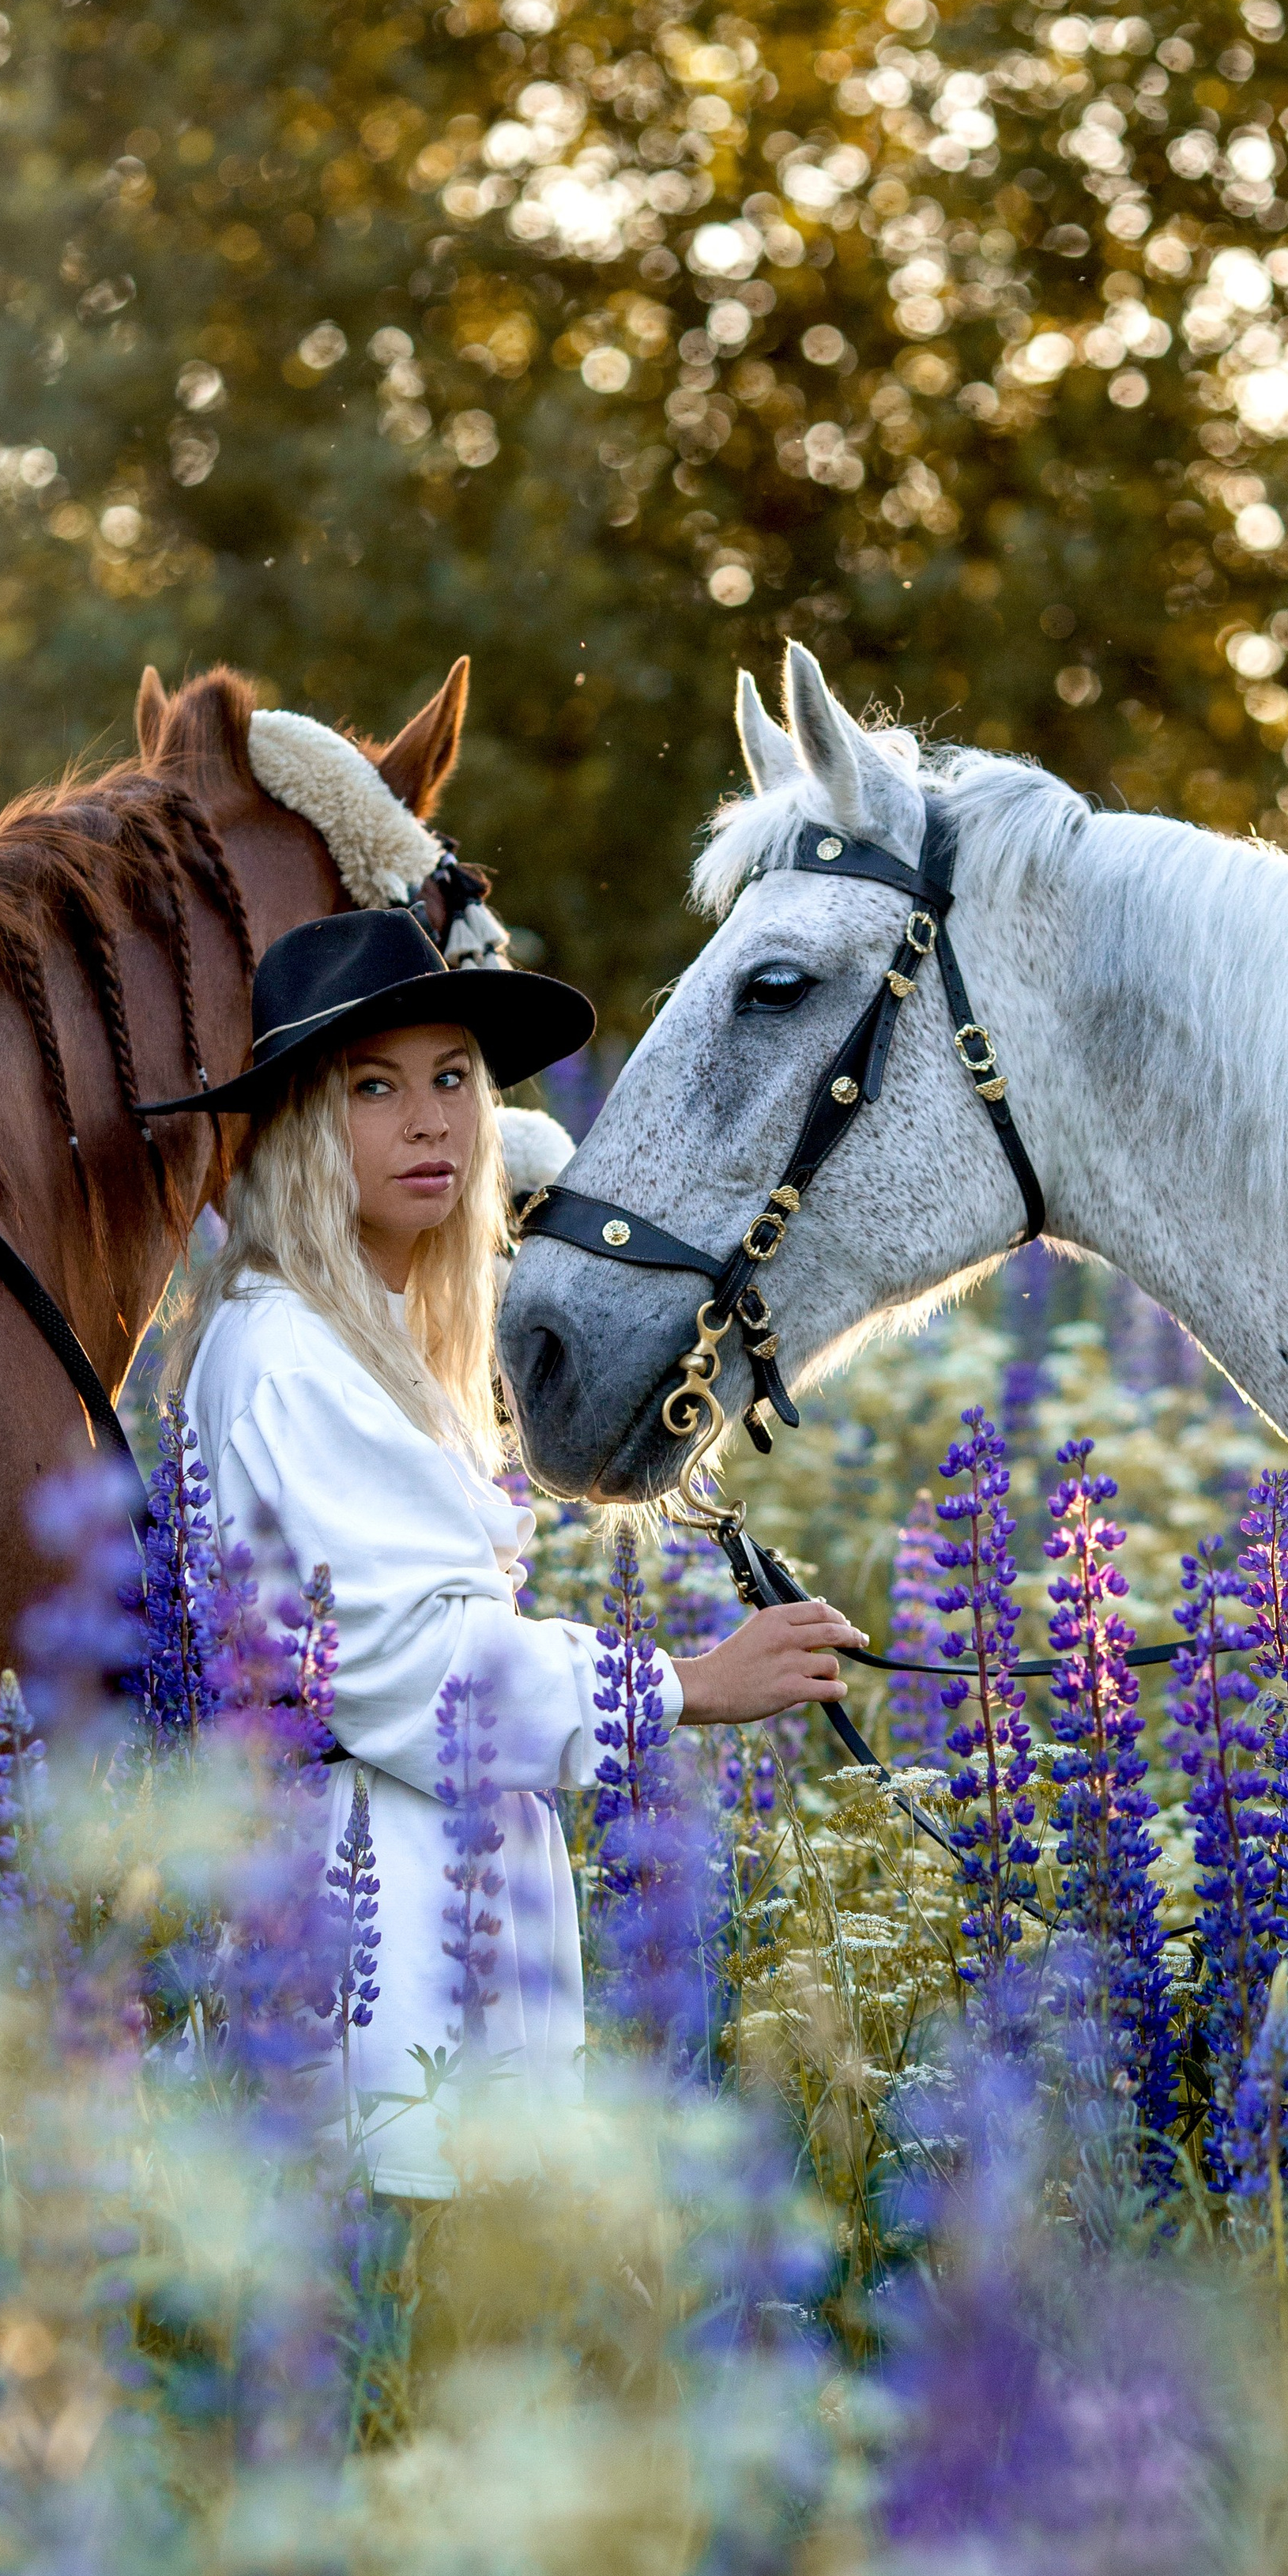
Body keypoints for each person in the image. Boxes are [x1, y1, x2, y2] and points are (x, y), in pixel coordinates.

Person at [171, 907, 862, 2197]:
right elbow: (418, 1672)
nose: (431, 1121)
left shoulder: (365, 1336)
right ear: (305, 1131)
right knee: (410, 2314)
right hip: (371, 1935)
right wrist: (687, 1685)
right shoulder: (289, 1355)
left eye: (452, 1080)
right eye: (374, 1088)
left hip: (446, 1906)